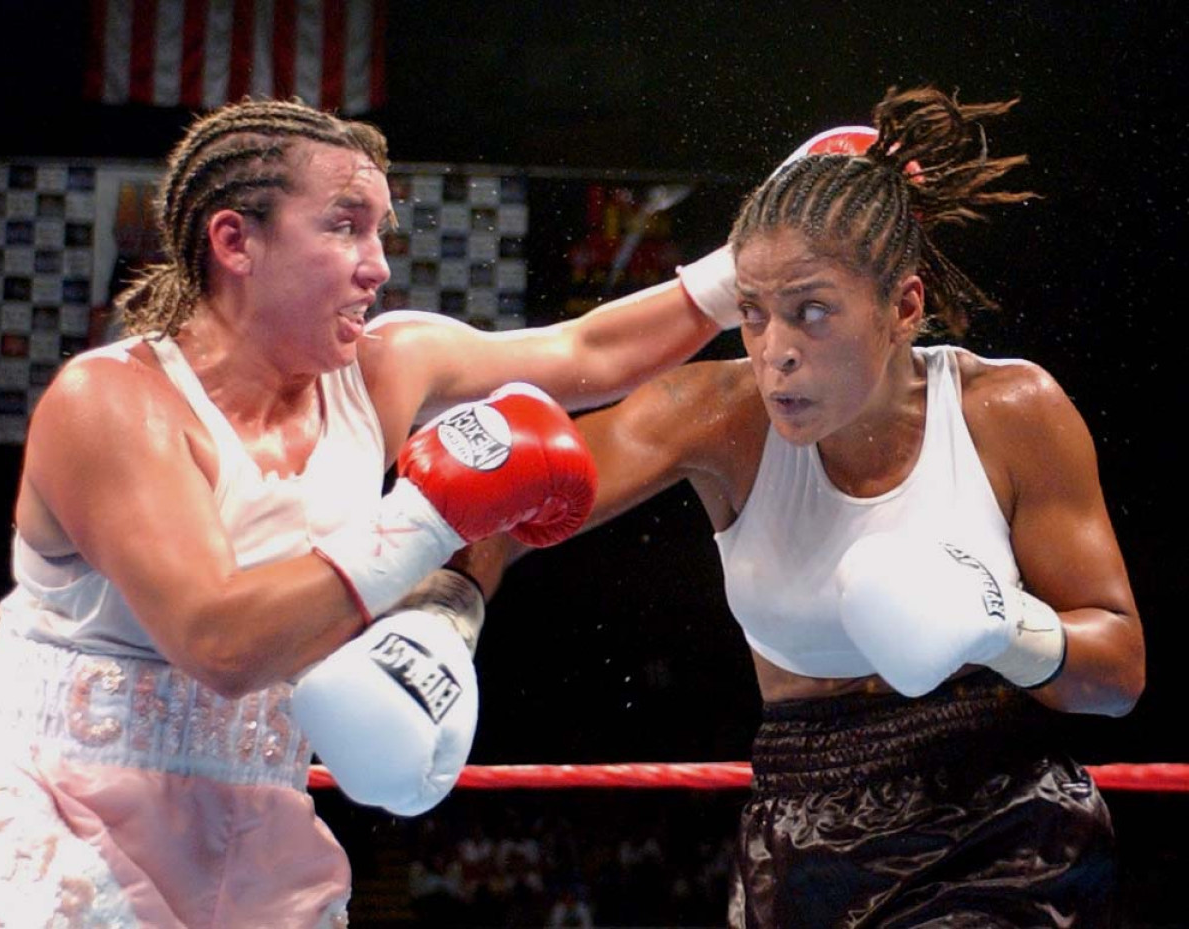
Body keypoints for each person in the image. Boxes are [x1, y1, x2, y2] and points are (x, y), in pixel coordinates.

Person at [0, 97, 743, 928]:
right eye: (345, 227)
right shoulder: (113, 404)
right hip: (54, 817)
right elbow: (220, 640)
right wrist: (432, 514)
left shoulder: (385, 369)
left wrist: (749, 269)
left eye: (381, 231)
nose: (377, 264)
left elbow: (588, 352)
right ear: (235, 241)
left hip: (255, 828)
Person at [488, 86, 1145, 926]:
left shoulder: (1009, 410)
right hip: (797, 835)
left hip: (1005, 825)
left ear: (904, 306)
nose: (776, 354)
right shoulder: (716, 415)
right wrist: (443, 610)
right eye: (754, 316)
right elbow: (503, 506)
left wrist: (1002, 625)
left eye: (812, 312)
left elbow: (1118, 674)